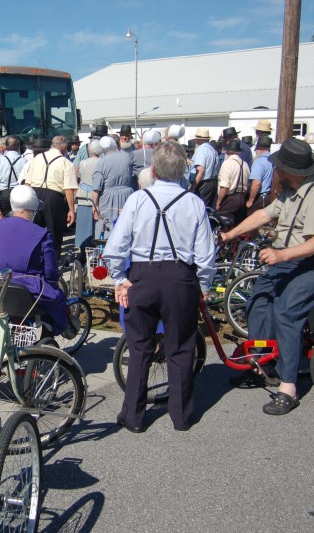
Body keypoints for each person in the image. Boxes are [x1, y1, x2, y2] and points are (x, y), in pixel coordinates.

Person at [220, 138, 314, 416]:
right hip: (290, 261)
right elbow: (264, 215)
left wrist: (280, 255)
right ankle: (262, 364)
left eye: (280, 168)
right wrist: (229, 234)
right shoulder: (291, 192)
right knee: (257, 302)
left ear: (294, 171)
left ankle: (288, 385)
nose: (276, 171)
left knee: (287, 311)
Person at [103, 141, 216, 432]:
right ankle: (181, 415)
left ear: (153, 170)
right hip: (180, 277)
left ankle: (134, 416)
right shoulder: (194, 202)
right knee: (180, 348)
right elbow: (205, 254)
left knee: (140, 348)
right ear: (183, 171)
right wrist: (204, 285)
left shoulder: (138, 200)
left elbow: (115, 247)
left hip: (144, 275)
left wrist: (119, 278)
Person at [0, 185, 67, 334]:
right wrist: (53, 283)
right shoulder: (41, 233)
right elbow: (49, 272)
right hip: (28, 287)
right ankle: (48, 337)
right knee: (57, 298)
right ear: (34, 209)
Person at [24, 135, 77, 251]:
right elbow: (68, 189)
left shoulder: (37, 158)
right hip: (54, 197)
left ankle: (33, 257)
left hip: (35, 194)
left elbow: (27, 183)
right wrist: (71, 210)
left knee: (33, 231)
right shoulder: (66, 163)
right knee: (55, 232)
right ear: (63, 147)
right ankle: (53, 260)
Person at [92, 136, 134, 238]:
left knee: (107, 226)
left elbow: (96, 189)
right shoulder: (126, 158)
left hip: (108, 198)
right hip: (127, 195)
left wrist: (95, 207)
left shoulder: (102, 162)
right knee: (125, 224)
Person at [75, 140, 102, 256]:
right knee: (97, 230)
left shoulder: (83, 163)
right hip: (98, 198)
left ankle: (83, 253)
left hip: (84, 198)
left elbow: (78, 177)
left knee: (83, 230)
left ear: (89, 150)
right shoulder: (103, 162)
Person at [216, 139, 250, 225]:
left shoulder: (227, 163)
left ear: (228, 151)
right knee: (237, 225)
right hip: (242, 197)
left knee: (223, 225)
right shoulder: (245, 164)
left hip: (230, 198)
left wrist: (218, 202)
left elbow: (224, 186)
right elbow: (247, 184)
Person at [0, 136, 26, 215]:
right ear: (18, 146)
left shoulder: (1, 160)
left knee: (4, 218)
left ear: (6, 146)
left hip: (4, 193)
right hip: (18, 193)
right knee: (18, 217)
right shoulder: (23, 160)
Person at [190, 128, 219, 207]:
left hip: (203, 183)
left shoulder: (202, 150)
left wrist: (193, 187)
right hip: (212, 182)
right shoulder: (213, 150)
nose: (195, 140)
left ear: (199, 139)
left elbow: (200, 170)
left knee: (199, 207)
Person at [246, 136, 274, 214]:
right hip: (271, 196)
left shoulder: (259, 162)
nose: (255, 151)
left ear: (261, 149)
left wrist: (250, 201)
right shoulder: (274, 161)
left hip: (261, 197)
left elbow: (256, 183)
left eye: (256, 149)